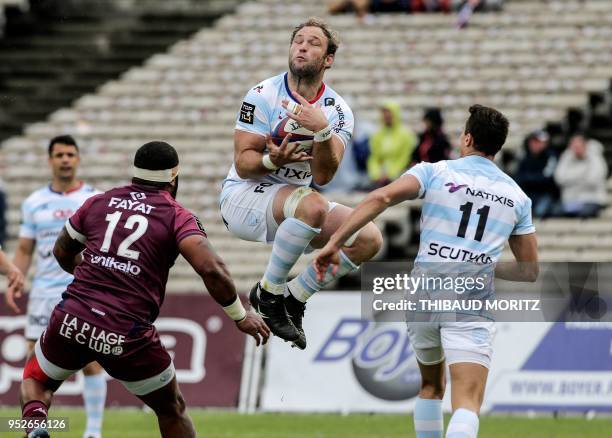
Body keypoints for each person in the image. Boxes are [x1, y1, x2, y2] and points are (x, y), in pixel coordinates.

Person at [315, 105, 538, 438]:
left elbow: (382, 196)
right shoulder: (517, 197)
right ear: (498, 147)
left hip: (424, 294)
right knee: (467, 402)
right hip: (468, 299)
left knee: (432, 386)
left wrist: (335, 241)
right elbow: (529, 271)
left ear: (467, 138)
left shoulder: (435, 171)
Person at [20, 141, 269, 438]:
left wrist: (94, 275)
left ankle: (35, 428)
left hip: (74, 317)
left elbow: (60, 251)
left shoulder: (99, 202)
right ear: (174, 176)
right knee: (171, 409)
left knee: (35, 381)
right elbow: (211, 269)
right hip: (127, 332)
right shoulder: (177, 215)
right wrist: (239, 316)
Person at [220, 18, 382, 349]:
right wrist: (272, 160)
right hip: (243, 197)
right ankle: (269, 292)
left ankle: (294, 296)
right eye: (298, 41)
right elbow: (243, 164)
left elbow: (324, 176)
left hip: (296, 204)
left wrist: (321, 130)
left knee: (368, 238)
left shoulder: (337, 110)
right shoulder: (262, 95)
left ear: (328, 59)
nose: (302, 46)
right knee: (312, 204)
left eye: (313, 43)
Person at [6, 135, 107, 438]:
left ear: (78, 160)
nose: (65, 159)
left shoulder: (94, 199)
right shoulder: (33, 202)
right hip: (44, 293)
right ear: (49, 160)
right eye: (59, 154)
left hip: (82, 292)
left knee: (89, 360)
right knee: (33, 362)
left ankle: (93, 431)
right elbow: (24, 249)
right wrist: (15, 278)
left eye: (70, 154)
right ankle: (36, 429)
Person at [553, 132, 608, 218]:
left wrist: (570, 179)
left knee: (585, 213)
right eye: (574, 146)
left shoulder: (596, 158)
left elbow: (592, 181)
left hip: (592, 200)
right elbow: (559, 179)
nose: (576, 149)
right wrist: (582, 176)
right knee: (554, 212)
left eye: (579, 146)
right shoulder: (566, 157)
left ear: (585, 145)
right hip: (569, 201)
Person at [367, 101, 417, 188]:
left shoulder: (406, 135)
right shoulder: (377, 135)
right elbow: (374, 157)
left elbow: (404, 158)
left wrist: (390, 174)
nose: (386, 116)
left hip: (399, 175)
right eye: (384, 114)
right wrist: (376, 174)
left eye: (389, 114)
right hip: (380, 177)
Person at [514, 130, 558, 218]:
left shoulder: (551, 157)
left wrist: (528, 178)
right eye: (534, 142)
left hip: (545, 193)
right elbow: (518, 177)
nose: (535, 145)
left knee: (540, 211)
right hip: (527, 194)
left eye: (539, 142)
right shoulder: (524, 157)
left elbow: (547, 178)